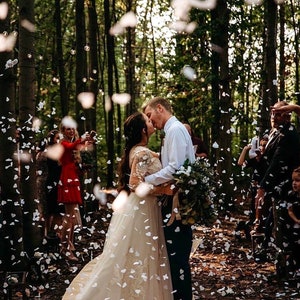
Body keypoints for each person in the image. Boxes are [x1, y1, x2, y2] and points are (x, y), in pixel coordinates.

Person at [62, 112, 173, 299]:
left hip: (141, 208)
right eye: (147, 120)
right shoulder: (142, 153)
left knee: (135, 254)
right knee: (140, 253)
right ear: (143, 130)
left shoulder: (138, 151)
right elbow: (136, 185)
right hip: (143, 210)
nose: (151, 120)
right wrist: (164, 191)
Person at [143, 97, 195, 300]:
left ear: (160, 108)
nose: (150, 121)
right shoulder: (172, 131)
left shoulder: (174, 130)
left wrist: (147, 180)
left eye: (149, 115)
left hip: (177, 203)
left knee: (177, 258)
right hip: (173, 200)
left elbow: (175, 169)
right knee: (174, 257)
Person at [254, 101, 300, 269]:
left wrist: (263, 187)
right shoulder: (273, 132)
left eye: (279, 114)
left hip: (288, 187)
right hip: (275, 188)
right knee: (272, 223)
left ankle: (288, 266)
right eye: (273, 113)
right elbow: (269, 160)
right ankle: (272, 254)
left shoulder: (289, 134)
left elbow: (278, 163)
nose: (274, 117)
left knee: (284, 227)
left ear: (288, 116)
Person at [58, 117, 91, 261]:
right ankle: (64, 247)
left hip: (73, 178)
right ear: (63, 131)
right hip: (67, 180)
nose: (71, 131)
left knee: (72, 216)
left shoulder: (73, 144)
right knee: (69, 216)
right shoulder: (63, 143)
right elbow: (71, 148)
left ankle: (69, 244)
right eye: (68, 129)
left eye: (72, 128)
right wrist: (82, 139)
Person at [237, 135, 268, 223]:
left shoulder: (268, 160)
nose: (262, 148)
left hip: (264, 188)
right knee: (253, 209)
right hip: (254, 187)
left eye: (264, 145)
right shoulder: (254, 159)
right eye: (261, 145)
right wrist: (245, 149)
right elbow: (240, 163)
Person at [44, 130, 63, 238]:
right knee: (51, 209)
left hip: (58, 180)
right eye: (57, 138)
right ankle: (48, 232)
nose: (59, 140)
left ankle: (56, 233)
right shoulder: (51, 150)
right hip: (53, 181)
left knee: (56, 209)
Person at [286, 166, 300, 276]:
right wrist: (297, 220)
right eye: (293, 180)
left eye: (297, 181)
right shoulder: (291, 195)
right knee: (294, 245)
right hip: (296, 224)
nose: (294, 183)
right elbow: (290, 211)